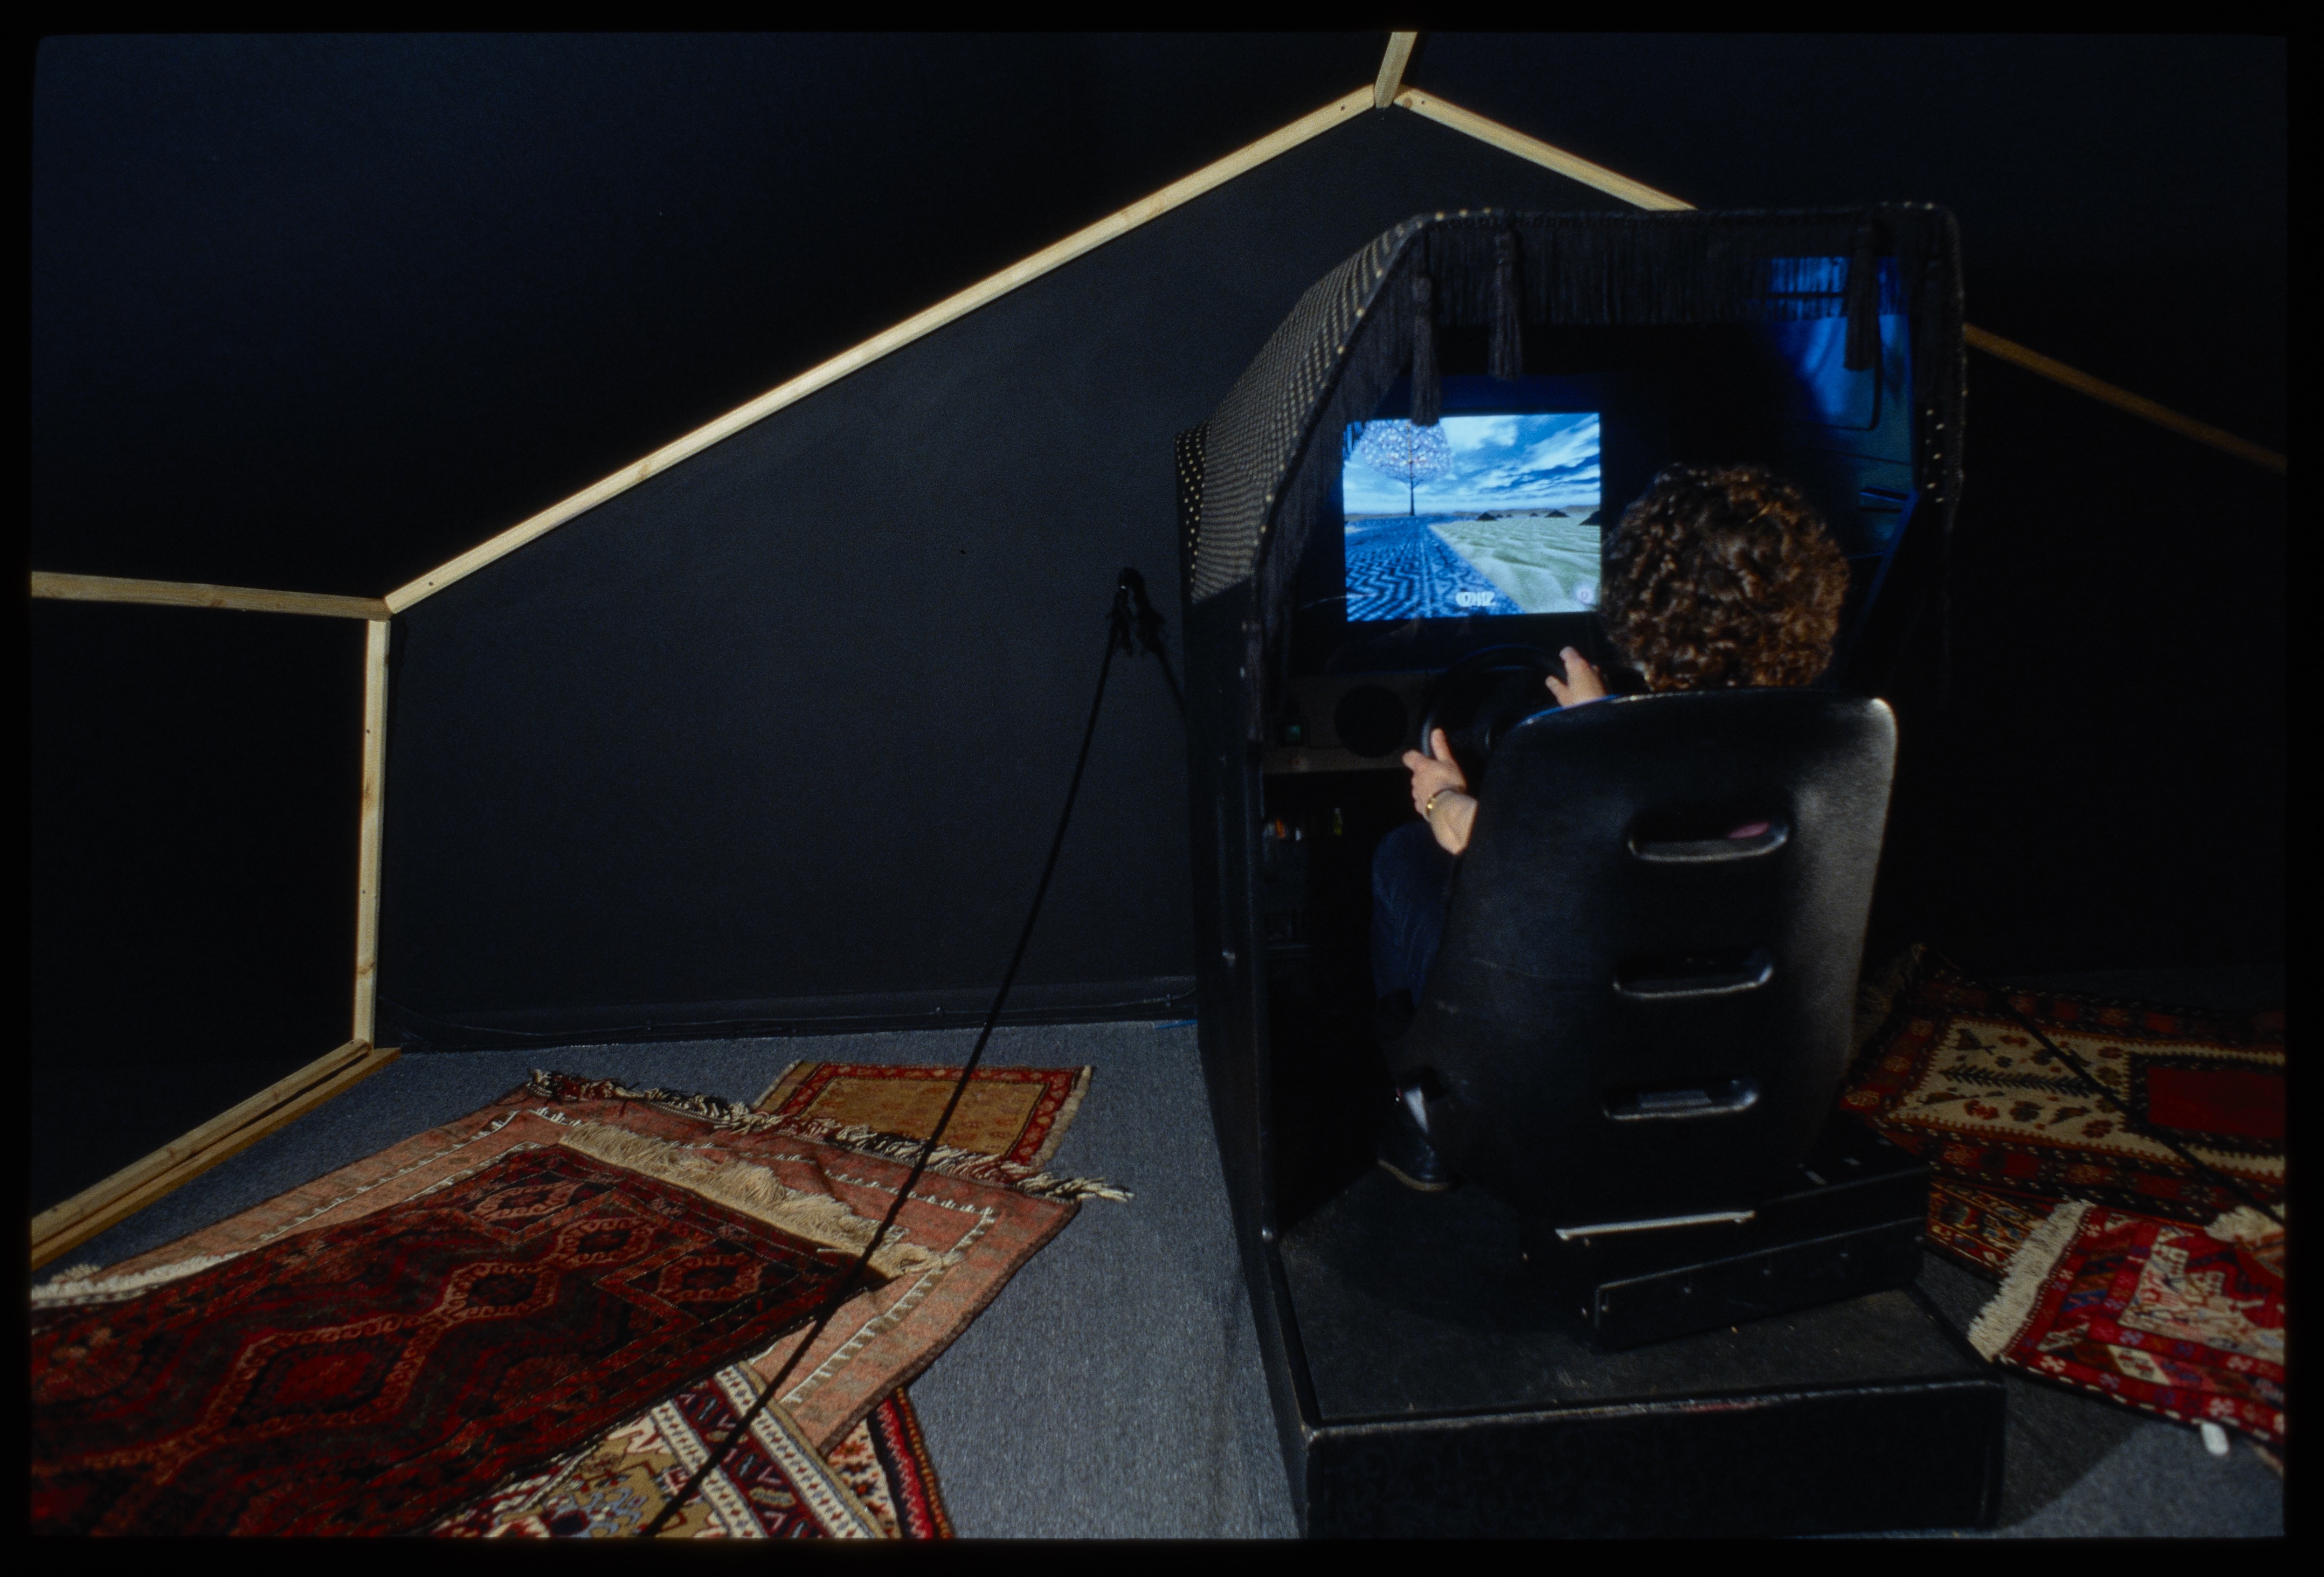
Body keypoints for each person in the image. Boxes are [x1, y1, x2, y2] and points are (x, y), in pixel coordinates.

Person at [1372, 462, 1852, 1191]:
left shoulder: (1596, 775)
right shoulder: (1834, 747)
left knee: (1403, 857)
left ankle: (1425, 1122)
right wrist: (1596, 727)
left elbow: (1485, 841)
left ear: (1641, 605)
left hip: (1573, 1066)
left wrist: (1443, 798)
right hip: (1745, 1062)